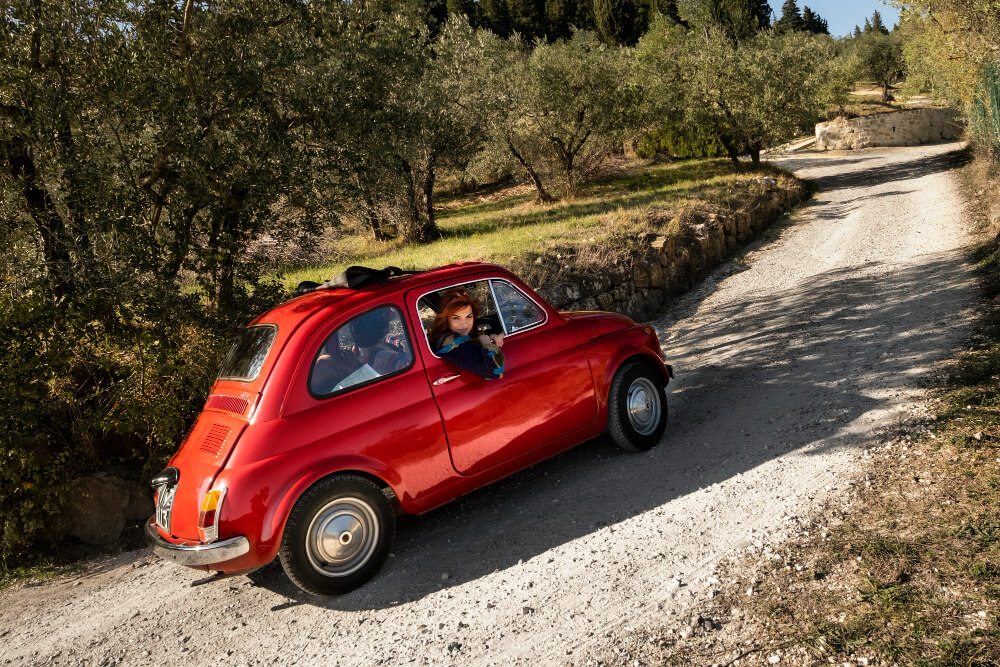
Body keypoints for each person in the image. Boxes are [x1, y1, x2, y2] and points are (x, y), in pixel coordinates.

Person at [429, 289, 505, 380]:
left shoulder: (443, 336)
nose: (464, 324)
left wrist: (490, 337)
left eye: (469, 316)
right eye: (456, 318)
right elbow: (495, 371)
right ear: (446, 319)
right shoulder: (448, 342)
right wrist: (485, 341)